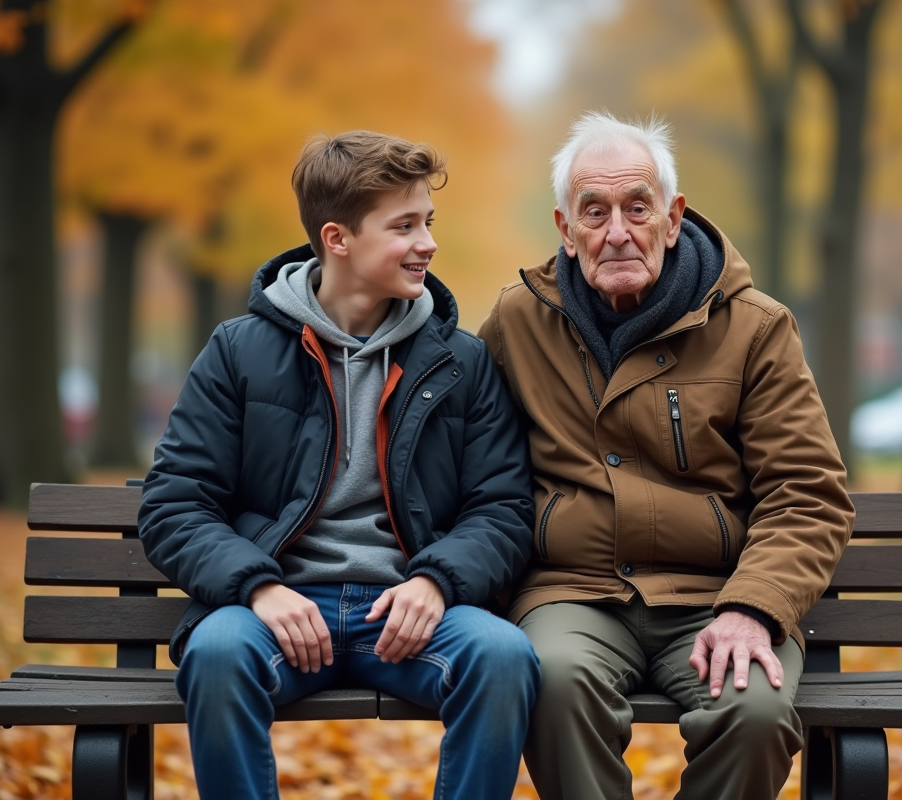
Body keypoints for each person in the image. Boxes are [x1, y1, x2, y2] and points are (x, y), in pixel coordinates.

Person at [139, 130, 540, 800]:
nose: (428, 244)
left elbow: (502, 508)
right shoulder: (239, 352)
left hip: (409, 608)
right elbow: (175, 503)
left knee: (503, 657)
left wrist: (437, 582)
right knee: (216, 654)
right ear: (338, 239)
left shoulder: (461, 361)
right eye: (405, 226)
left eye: (429, 223)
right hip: (277, 604)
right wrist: (259, 588)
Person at [478, 111, 855, 800]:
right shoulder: (516, 322)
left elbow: (807, 492)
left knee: (756, 710)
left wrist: (755, 608)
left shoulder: (754, 328)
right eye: (593, 211)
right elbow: (461, 451)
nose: (616, 231)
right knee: (552, 682)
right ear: (566, 230)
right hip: (573, 594)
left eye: (637, 207)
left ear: (674, 218)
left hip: (717, 597)